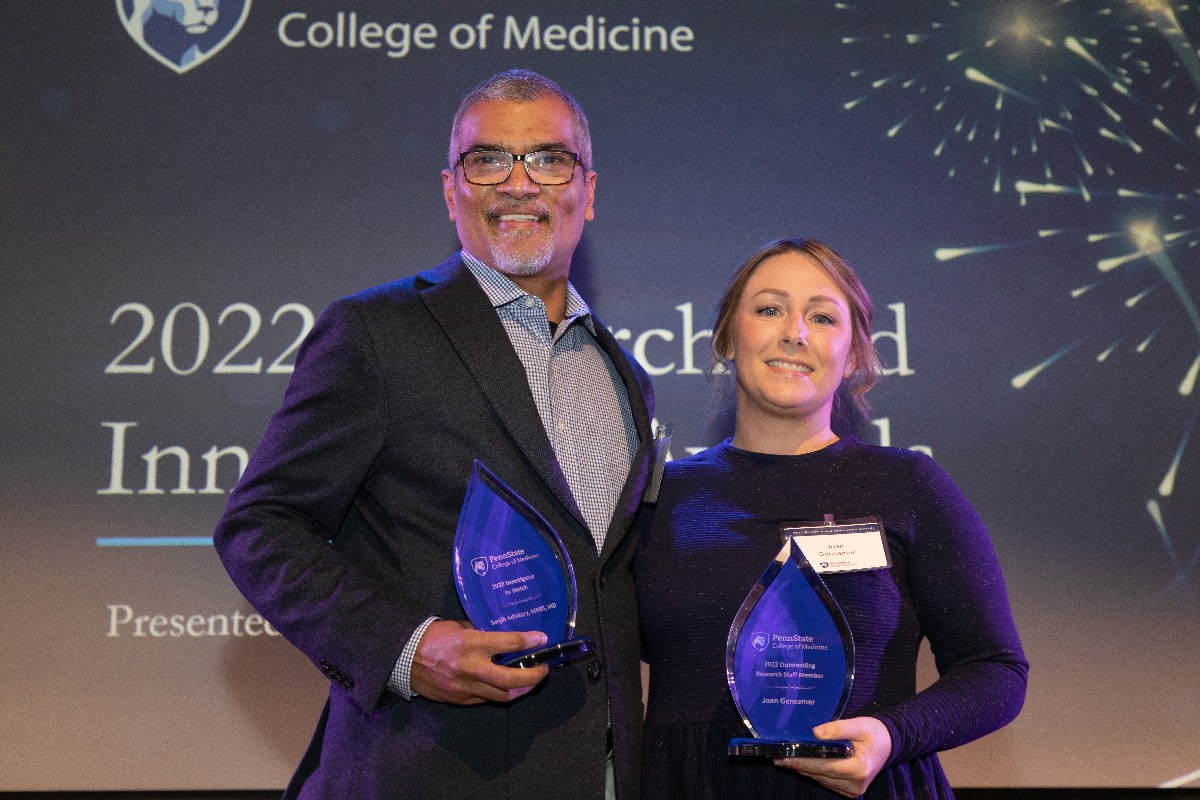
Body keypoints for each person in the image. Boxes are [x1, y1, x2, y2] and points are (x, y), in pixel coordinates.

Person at [214, 69, 655, 800]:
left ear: (590, 190)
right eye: (488, 159)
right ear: (451, 189)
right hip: (431, 771)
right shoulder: (377, 334)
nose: (519, 183)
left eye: (549, 158)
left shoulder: (622, 373)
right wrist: (406, 648)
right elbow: (260, 526)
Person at [636, 238, 1027, 799]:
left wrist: (892, 735)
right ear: (725, 337)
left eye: (821, 317)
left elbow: (996, 670)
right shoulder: (659, 496)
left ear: (855, 354)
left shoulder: (909, 484)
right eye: (769, 309)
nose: (794, 332)